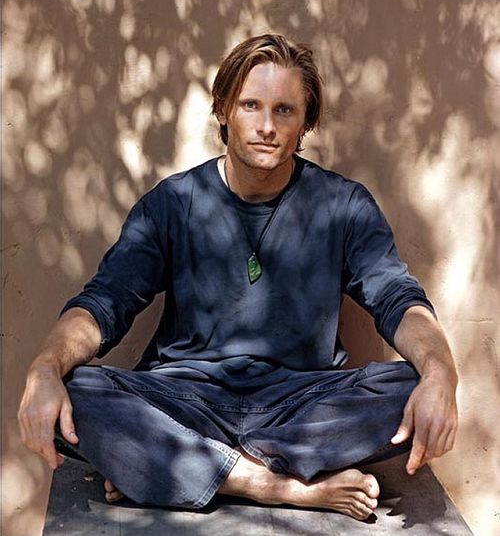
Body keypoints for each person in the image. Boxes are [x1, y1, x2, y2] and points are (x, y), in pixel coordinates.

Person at [18, 34, 458, 521]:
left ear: (305, 123)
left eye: (284, 110)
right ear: (224, 109)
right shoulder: (173, 203)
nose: (267, 126)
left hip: (300, 407)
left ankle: (173, 469)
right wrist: (44, 369)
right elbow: (104, 303)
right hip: (186, 401)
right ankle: (271, 484)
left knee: (411, 383)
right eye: (251, 105)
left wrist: (441, 372)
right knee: (76, 391)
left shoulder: (344, 205)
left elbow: (397, 298)